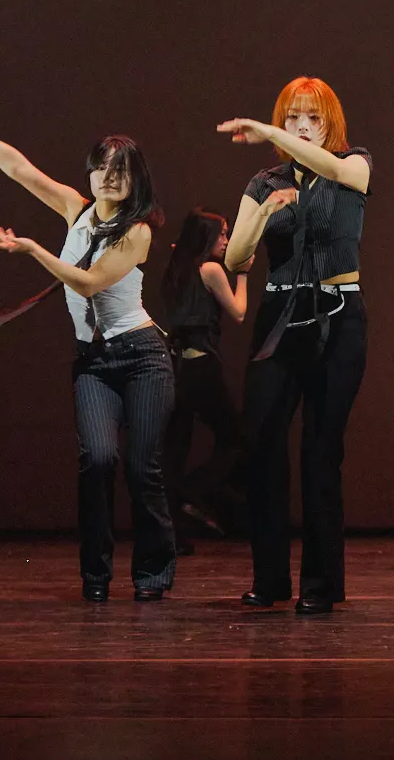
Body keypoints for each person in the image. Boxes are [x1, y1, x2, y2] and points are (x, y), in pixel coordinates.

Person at [0, 115, 174, 602]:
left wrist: (33, 250)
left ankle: (152, 573)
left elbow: (89, 282)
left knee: (141, 469)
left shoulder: (138, 231)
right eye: (101, 167)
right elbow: (19, 169)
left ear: (136, 179)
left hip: (142, 356)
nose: (109, 177)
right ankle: (96, 575)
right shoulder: (75, 208)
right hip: (94, 362)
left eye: (120, 170)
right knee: (97, 459)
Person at [220, 77, 372, 616]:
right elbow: (235, 259)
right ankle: (270, 579)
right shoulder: (264, 182)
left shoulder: (353, 163)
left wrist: (268, 134)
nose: (302, 127)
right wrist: (264, 212)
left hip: (337, 316)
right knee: (262, 443)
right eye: (291, 118)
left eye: (312, 117)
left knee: (321, 451)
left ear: (330, 122)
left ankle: (322, 583)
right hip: (280, 317)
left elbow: (331, 168)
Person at [156, 209, 248, 545]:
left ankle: (173, 533)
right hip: (201, 367)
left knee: (176, 449)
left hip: (176, 367)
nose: (226, 240)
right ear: (206, 237)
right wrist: (243, 274)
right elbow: (238, 312)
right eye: (222, 233)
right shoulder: (210, 270)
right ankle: (193, 491)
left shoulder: (176, 270)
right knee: (235, 438)